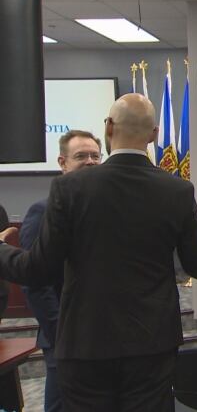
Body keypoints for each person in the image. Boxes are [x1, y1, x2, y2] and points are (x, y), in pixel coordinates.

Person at [0, 93, 197, 411]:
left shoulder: (70, 189)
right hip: (152, 343)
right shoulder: (178, 190)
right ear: (154, 135)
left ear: (109, 127)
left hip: (86, 344)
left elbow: (37, 269)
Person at [18, 129, 103, 412]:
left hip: (106, 338)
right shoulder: (40, 212)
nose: (90, 161)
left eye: (95, 156)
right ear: (62, 162)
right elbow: (36, 283)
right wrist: (61, 333)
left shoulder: (107, 209)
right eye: (81, 156)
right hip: (63, 340)